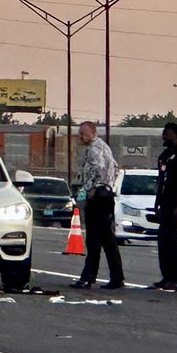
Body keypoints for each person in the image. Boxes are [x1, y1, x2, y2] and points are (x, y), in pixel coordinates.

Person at [70, 121, 124, 289]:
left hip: (98, 199)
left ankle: (88, 277)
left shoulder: (94, 150)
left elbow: (97, 171)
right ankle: (117, 277)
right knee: (108, 240)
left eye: (83, 133)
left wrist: (87, 190)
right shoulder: (105, 148)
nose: (80, 136)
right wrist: (109, 185)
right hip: (107, 196)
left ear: (92, 133)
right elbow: (115, 168)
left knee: (93, 239)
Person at [152, 122, 177, 291]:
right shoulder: (164, 155)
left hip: (176, 202)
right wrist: (157, 202)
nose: (164, 136)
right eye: (163, 133)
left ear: (176, 135)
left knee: (171, 241)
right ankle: (167, 277)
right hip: (165, 202)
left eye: (167, 133)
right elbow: (161, 180)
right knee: (163, 241)